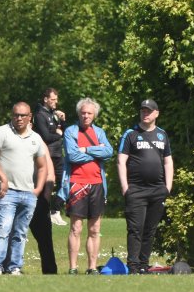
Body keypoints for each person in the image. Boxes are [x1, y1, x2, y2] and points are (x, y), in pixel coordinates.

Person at [0, 102, 47, 275]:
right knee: (3, 230)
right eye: (15, 115)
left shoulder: (36, 138)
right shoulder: (1, 132)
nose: (19, 118)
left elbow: (42, 166)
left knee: (20, 233)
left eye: (23, 115)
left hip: (28, 194)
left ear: (30, 117)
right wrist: (3, 178)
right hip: (7, 193)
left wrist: (38, 189)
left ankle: (14, 267)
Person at [117, 99, 173, 274]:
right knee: (135, 229)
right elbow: (121, 160)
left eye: (149, 111)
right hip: (136, 190)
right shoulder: (130, 134)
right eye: (143, 111)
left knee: (150, 229)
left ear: (156, 113)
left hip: (158, 190)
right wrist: (125, 188)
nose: (145, 114)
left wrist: (167, 187)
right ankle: (133, 266)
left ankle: (143, 265)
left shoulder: (162, 135)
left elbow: (168, 161)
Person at [58, 97, 114, 275]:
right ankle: (73, 267)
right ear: (78, 114)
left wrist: (86, 150)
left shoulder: (99, 132)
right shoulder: (70, 131)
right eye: (83, 113)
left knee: (95, 229)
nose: (86, 116)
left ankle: (91, 267)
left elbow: (109, 151)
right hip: (76, 183)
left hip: (97, 185)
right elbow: (72, 157)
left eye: (89, 113)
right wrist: (97, 152)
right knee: (76, 228)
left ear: (94, 115)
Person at [33, 88, 67, 226]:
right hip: (47, 155)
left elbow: (64, 131)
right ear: (45, 99)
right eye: (53, 99)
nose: (55, 102)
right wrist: (58, 135)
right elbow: (45, 137)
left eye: (56, 99)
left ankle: (55, 211)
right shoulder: (40, 115)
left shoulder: (54, 113)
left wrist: (63, 120)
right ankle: (42, 213)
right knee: (46, 184)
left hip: (59, 154)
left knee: (65, 182)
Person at [28, 135, 58, 274]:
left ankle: (50, 272)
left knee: (44, 239)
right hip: (16, 195)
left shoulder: (38, 141)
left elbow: (50, 172)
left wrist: (46, 196)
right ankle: (10, 268)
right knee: (12, 236)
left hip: (38, 197)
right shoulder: (8, 138)